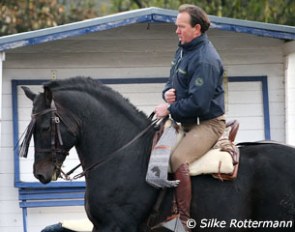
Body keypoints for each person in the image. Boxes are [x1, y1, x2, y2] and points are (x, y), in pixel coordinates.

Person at [154, 4, 226, 231]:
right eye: (176, 26)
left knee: (177, 159)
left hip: (208, 125)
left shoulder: (205, 60)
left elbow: (198, 103)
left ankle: (182, 220)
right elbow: (171, 81)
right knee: (153, 149)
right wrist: (166, 93)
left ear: (196, 28)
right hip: (184, 121)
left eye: (181, 27)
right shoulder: (183, 48)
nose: (176, 31)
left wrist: (169, 110)